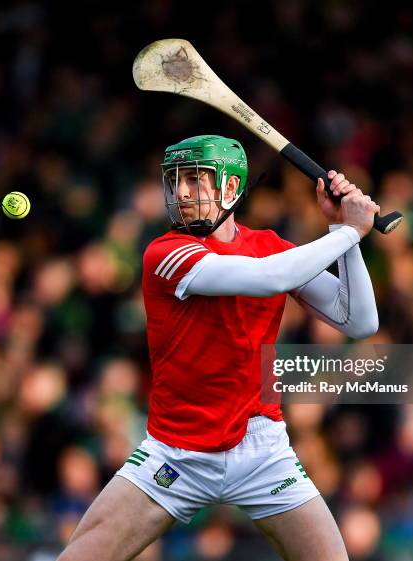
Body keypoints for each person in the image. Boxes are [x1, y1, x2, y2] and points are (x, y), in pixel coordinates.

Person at [57, 135, 380, 561]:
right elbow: (267, 278)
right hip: (177, 453)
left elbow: (359, 320)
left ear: (231, 188)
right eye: (175, 182)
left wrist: (344, 232)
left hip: (263, 451)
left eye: (195, 179)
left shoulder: (270, 247)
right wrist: (351, 232)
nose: (182, 192)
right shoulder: (166, 253)